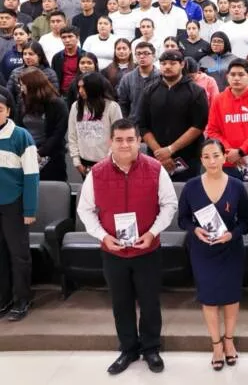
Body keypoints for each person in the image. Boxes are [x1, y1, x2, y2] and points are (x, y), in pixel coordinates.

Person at [76, 118, 177, 375]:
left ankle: (151, 348)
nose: (125, 144)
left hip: (147, 249)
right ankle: (128, 349)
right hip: (113, 251)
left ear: (139, 141)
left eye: (130, 139)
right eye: (119, 140)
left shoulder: (155, 168)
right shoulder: (96, 173)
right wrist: (103, 236)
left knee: (150, 302)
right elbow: (85, 210)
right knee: (121, 303)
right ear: (110, 141)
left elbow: (169, 205)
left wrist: (152, 232)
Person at [177, 138, 248, 371]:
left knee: (231, 298)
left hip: (230, 249)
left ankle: (229, 341)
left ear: (224, 156)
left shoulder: (237, 185)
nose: (212, 161)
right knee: (208, 298)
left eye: (216, 155)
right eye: (206, 157)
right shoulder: (191, 186)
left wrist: (232, 234)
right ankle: (216, 345)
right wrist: (195, 230)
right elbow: (182, 219)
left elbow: (246, 222)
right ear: (201, 160)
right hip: (202, 250)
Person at [138, 50, 209, 181]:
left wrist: (170, 149)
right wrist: (160, 153)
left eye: (172, 63)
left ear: (182, 64)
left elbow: (198, 126)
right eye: (163, 63)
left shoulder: (196, 92)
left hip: (188, 158)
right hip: (156, 157)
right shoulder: (149, 91)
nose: (167, 67)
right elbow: (142, 125)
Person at [0, 94, 39, 322]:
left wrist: (29, 210)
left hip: (14, 203)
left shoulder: (21, 136)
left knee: (19, 255)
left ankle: (22, 299)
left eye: (0, 110)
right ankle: (3, 299)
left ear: (8, 111)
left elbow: (32, 176)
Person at [205, 59, 248, 181]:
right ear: (227, 77)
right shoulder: (218, 100)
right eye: (233, 74)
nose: (236, 78)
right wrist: (229, 152)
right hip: (226, 161)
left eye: (241, 74)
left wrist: (241, 151)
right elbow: (213, 131)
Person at [67, 72, 123, 177]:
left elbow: (118, 135)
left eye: (84, 87)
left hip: (108, 161)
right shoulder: (76, 106)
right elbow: (72, 135)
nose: (80, 91)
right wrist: (76, 160)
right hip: (84, 162)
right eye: (79, 87)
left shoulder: (112, 107)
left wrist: (108, 161)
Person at [17, 68, 68, 181]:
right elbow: (19, 128)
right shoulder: (22, 102)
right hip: (27, 153)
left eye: (23, 85)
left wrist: (40, 152)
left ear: (33, 85)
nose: (21, 88)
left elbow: (58, 133)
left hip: (52, 156)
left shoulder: (57, 104)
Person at [117, 42, 159, 123]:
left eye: (146, 53)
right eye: (138, 54)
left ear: (153, 55)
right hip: (133, 124)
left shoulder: (161, 77)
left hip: (156, 124)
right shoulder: (127, 78)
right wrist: (126, 123)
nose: (142, 56)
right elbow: (122, 104)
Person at [51, 26, 87, 96]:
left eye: (70, 36)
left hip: (81, 93)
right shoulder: (57, 57)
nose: (67, 40)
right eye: (64, 37)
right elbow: (54, 78)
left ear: (77, 38)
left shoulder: (85, 56)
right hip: (62, 94)